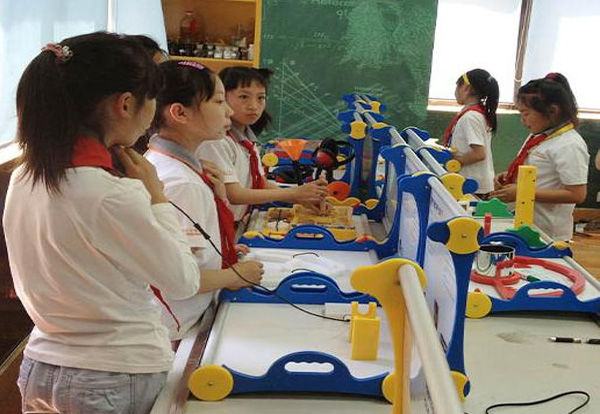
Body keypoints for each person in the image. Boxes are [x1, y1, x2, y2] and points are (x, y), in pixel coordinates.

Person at [4, 32, 202, 414]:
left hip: (41, 366)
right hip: (113, 372)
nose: (153, 115)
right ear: (125, 104)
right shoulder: (111, 192)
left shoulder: (24, 176)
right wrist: (157, 198)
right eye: (152, 100)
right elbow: (183, 281)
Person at [145, 60, 264, 339]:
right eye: (219, 101)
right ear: (180, 113)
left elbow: (189, 254)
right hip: (175, 327)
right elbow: (177, 279)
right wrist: (235, 274)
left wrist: (218, 253)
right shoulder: (182, 183)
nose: (229, 111)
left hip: (182, 319)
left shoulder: (177, 167)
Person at [197, 66, 329, 223]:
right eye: (244, 97)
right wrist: (294, 193)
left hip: (236, 222)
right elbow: (233, 194)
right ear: (221, 98)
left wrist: (301, 198)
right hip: (217, 225)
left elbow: (259, 182)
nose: (253, 106)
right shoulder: (217, 141)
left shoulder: (248, 140)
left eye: (261, 98)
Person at [491, 73, 589, 241]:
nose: (522, 120)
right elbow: (539, 172)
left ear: (553, 111)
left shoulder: (569, 144)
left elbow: (577, 194)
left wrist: (523, 192)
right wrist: (510, 176)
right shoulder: (539, 135)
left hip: (547, 233)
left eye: (526, 113)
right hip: (525, 222)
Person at [442, 68, 499, 197]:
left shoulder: (471, 117)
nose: (455, 92)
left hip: (473, 184)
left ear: (466, 88)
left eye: (457, 87)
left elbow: (479, 154)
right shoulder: (473, 113)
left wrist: (454, 161)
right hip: (472, 182)